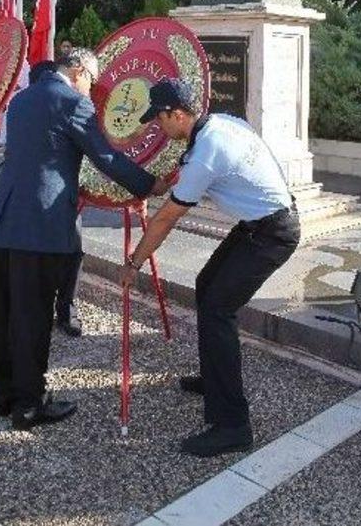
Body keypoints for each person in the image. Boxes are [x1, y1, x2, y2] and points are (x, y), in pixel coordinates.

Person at [0, 48, 168, 430]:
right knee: (33, 316)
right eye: (92, 79)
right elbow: (106, 158)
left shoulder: (21, 100)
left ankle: (4, 395)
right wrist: (150, 184)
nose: (92, 89)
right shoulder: (71, 103)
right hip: (43, 225)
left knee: (3, 312)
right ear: (80, 70)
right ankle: (30, 404)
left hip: (5, 221)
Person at [120, 77, 301, 458]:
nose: (158, 126)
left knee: (219, 308)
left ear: (179, 114)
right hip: (260, 223)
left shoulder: (208, 150)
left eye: (160, 118)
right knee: (207, 286)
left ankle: (233, 425)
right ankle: (213, 378)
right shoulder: (222, 123)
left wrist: (134, 262)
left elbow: (166, 219)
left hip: (273, 233)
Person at [0, 59, 84, 356]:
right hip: (19, 196)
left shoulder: (71, 103)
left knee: (74, 248)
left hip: (62, 195)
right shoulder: (22, 107)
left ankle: (67, 309)